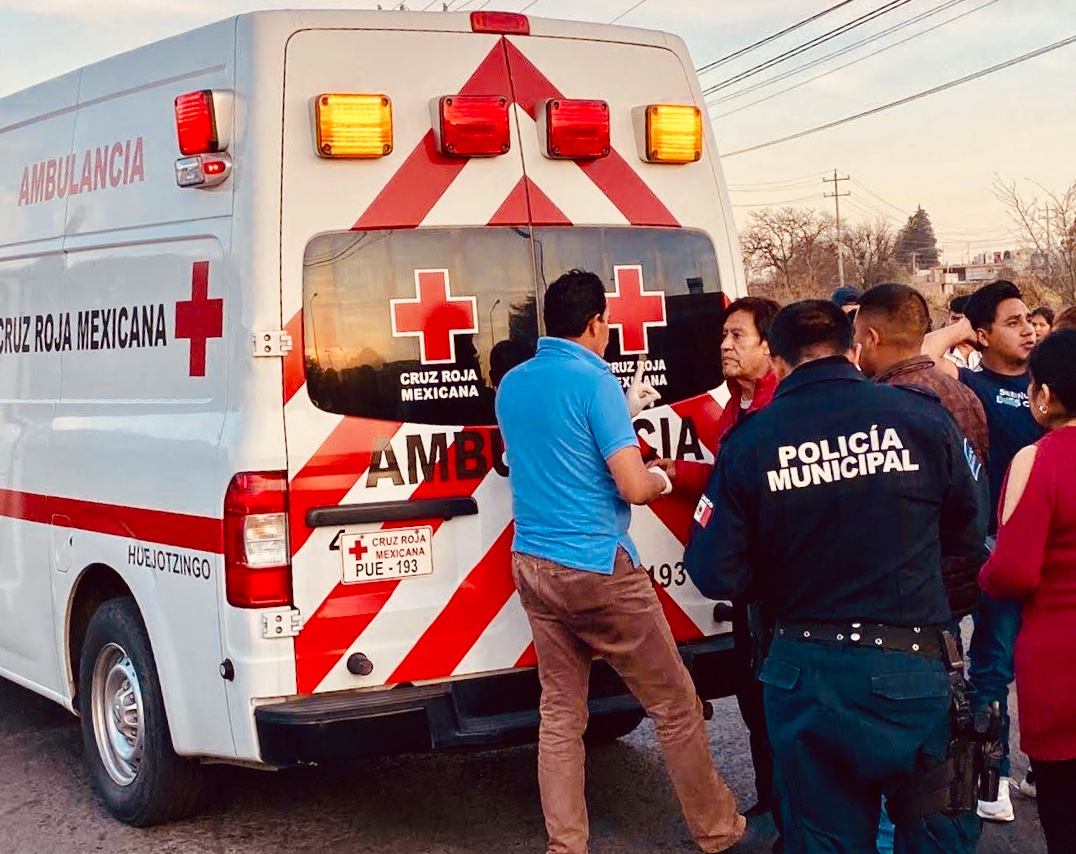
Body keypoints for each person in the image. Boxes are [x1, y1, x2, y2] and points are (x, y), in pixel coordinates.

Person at [685, 300, 985, 853]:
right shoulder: (921, 418)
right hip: (913, 668)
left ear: (776, 361)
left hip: (807, 675)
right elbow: (970, 534)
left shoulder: (751, 442)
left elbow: (712, 570)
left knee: (824, 841)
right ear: (852, 348)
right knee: (937, 835)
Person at [495, 269, 745, 854]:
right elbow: (631, 487)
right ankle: (717, 831)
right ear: (595, 324)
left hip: (533, 562)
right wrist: (661, 476)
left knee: (560, 714)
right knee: (676, 705)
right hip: (598, 569)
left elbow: (548, 451)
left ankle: (568, 845)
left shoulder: (512, 383)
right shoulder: (595, 380)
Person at [923, 280, 1043, 820]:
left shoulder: (1051, 385)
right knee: (993, 662)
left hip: (1052, 546)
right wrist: (963, 327)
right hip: (997, 548)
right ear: (984, 333)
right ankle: (990, 778)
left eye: (1028, 320)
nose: (1027, 329)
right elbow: (924, 354)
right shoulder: (970, 385)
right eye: (1012, 321)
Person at [676, 298, 781, 827]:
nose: (725, 345)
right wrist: (675, 473)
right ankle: (769, 798)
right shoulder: (735, 407)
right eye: (723, 336)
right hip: (745, 584)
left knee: (775, 696)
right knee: (752, 693)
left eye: (738, 336)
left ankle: (791, 815)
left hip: (775, 583)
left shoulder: (778, 409)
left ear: (769, 345)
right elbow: (726, 480)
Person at [979, 328, 1076, 854]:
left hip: (1062, 669)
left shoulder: (1039, 460)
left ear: (1044, 395)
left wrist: (983, 573)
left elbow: (1013, 573)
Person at [944, 295, 982, 371]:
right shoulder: (942, 354)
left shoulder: (988, 355)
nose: (958, 326)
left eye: (964, 321)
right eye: (954, 319)